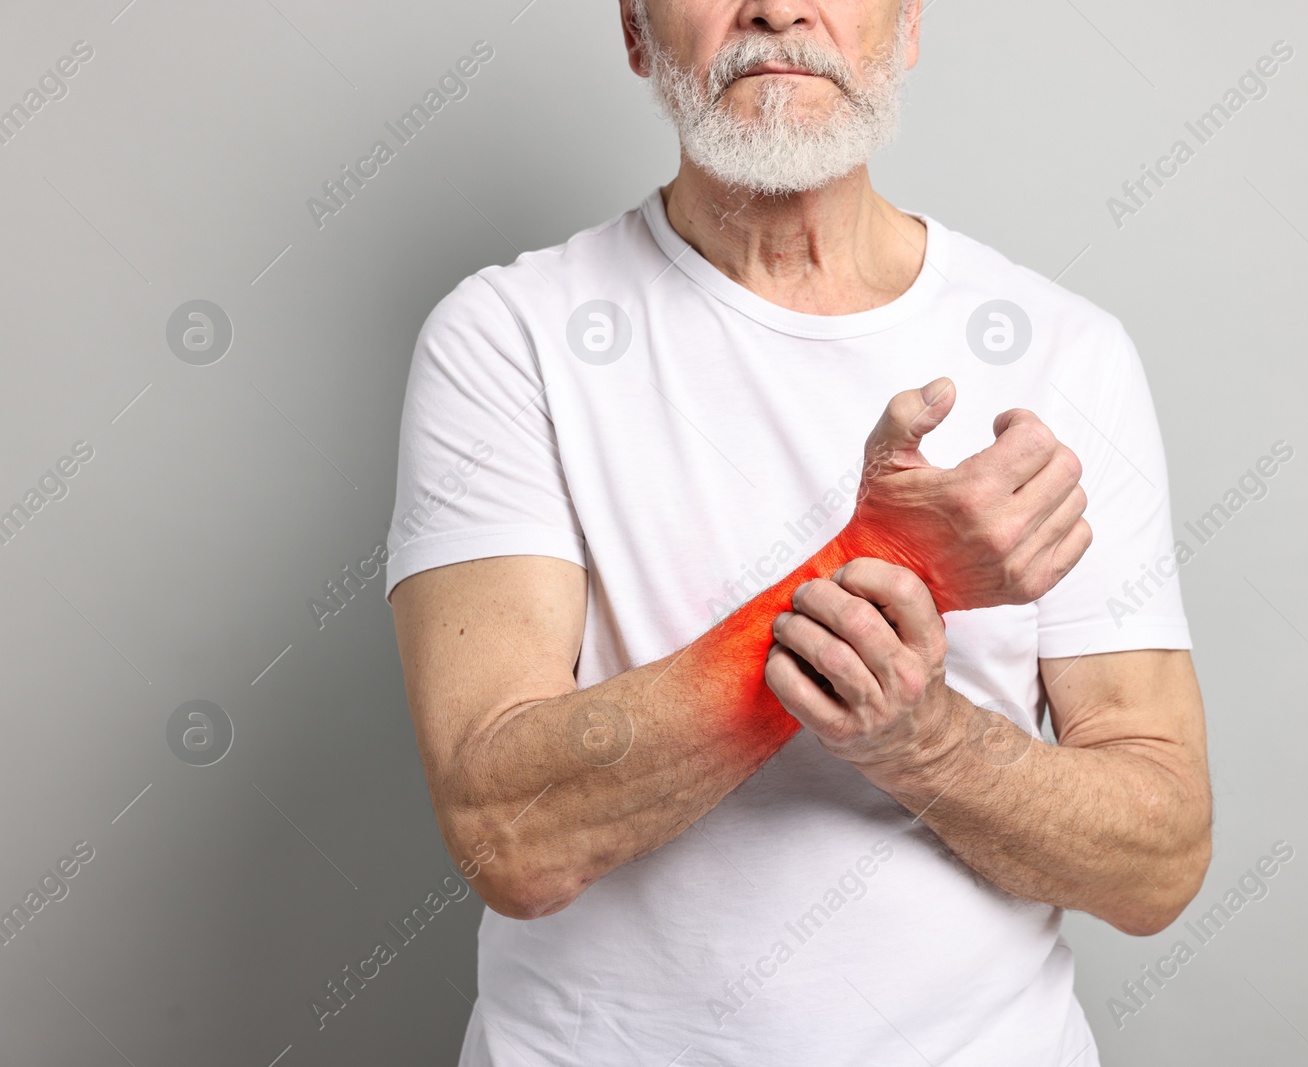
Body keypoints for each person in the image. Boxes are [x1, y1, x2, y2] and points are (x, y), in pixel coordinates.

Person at [385, 2, 1211, 1063]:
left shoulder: (1065, 352)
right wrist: (891, 562)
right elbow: (510, 832)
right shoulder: (510, 338)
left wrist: (925, 742)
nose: (776, 8)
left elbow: (1158, 862)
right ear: (636, 32)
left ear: (905, 26)